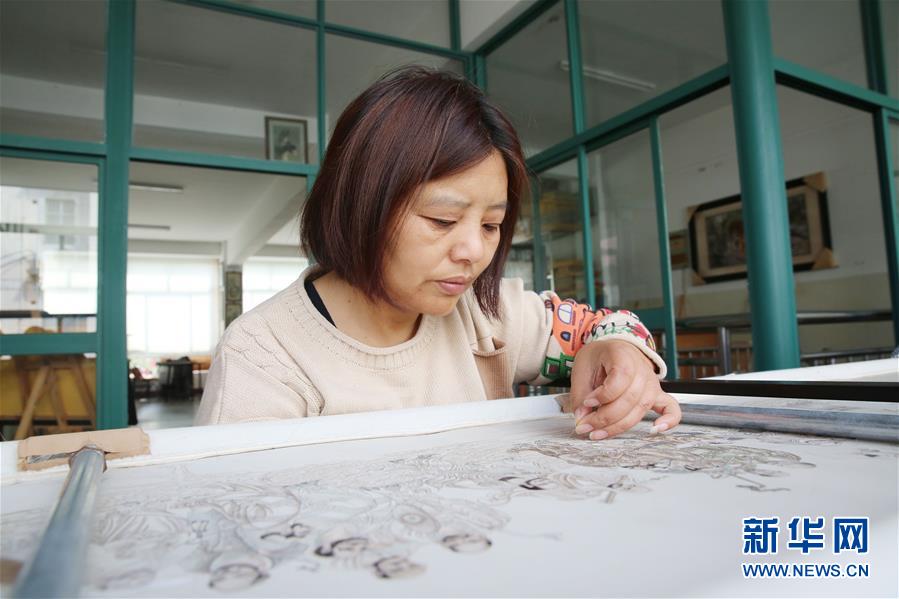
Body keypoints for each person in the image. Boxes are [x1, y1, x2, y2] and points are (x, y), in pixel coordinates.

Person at [197, 67, 681, 440]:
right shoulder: (264, 358)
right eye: (442, 221)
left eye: (491, 224)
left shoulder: (487, 313)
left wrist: (621, 353)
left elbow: (607, 325)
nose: (474, 251)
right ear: (359, 205)